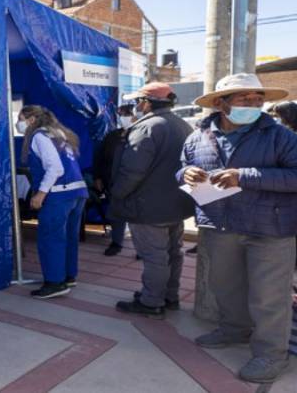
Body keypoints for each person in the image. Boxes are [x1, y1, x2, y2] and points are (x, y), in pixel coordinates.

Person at [179, 73, 297, 383]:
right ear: (221, 103)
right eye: (245, 99)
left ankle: (271, 355)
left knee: (269, 296)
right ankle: (235, 330)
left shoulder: (281, 137)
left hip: (269, 228)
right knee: (226, 286)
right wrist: (185, 174)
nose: (254, 105)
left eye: (259, 100)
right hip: (221, 224)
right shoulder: (197, 136)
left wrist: (243, 176)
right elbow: (181, 168)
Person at [110, 83, 194, 318]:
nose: (136, 107)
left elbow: (133, 171)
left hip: (148, 207)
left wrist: (117, 193)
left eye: (138, 102)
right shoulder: (183, 125)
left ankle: (151, 302)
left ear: (146, 103)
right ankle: (169, 296)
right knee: (173, 252)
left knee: (155, 256)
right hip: (176, 204)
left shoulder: (147, 128)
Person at [20, 105, 88, 299]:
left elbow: (55, 168)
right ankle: (68, 276)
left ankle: (54, 283)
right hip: (77, 192)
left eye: (22, 118)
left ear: (32, 119)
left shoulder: (40, 136)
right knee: (68, 238)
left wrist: (40, 194)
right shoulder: (59, 134)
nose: (20, 123)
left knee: (51, 238)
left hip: (59, 194)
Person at [93, 104, 135, 256]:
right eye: (122, 114)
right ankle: (116, 242)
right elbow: (99, 157)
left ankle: (141, 249)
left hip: (137, 183)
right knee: (116, 214)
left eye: (128, 113)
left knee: (137, 216)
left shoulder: (144, 133)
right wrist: (97, 177)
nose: (124, 117)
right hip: (113, 182)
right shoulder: (112, 136)